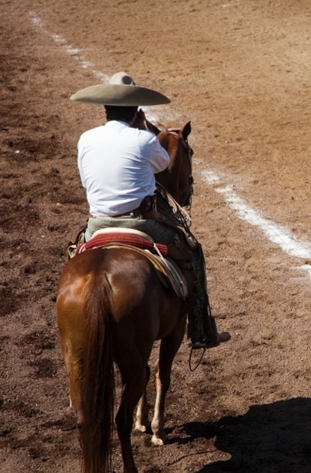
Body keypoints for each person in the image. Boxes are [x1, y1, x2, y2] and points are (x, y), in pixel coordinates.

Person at [69, 72, 228, 349]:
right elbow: (162, 166)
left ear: (105, 109)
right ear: (137, 111)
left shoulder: (86, 139)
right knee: (192, 253)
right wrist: (143, 129)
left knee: (75, 255)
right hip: (141, 223)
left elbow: (86, 179)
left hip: (96, 226)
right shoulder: (143, 139)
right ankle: (201, 330)